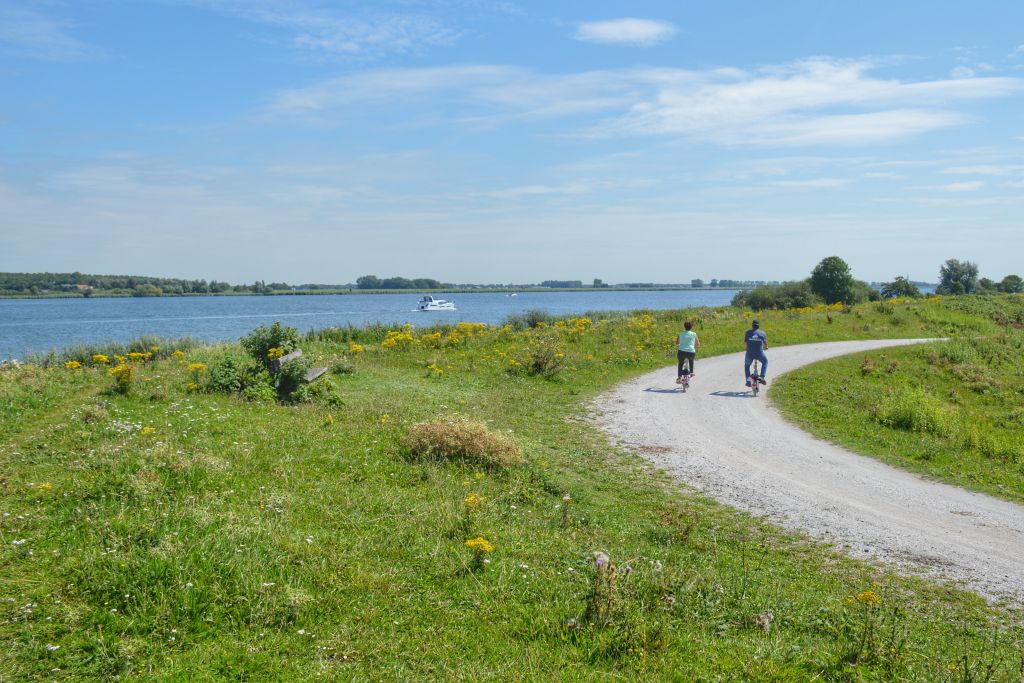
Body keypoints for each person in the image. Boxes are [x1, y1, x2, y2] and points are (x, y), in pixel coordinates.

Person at [744, 319, 768, 387]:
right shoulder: (763, 333)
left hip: (750, 354)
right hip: (759, 354)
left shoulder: (748, 332)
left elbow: (746, 342)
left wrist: (746, 348)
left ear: (752, 325)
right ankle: (762, 376)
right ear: (758, 326)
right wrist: (766, 346)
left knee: (747, 366)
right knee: (765, 362)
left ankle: (748, 381)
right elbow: (765, 342)